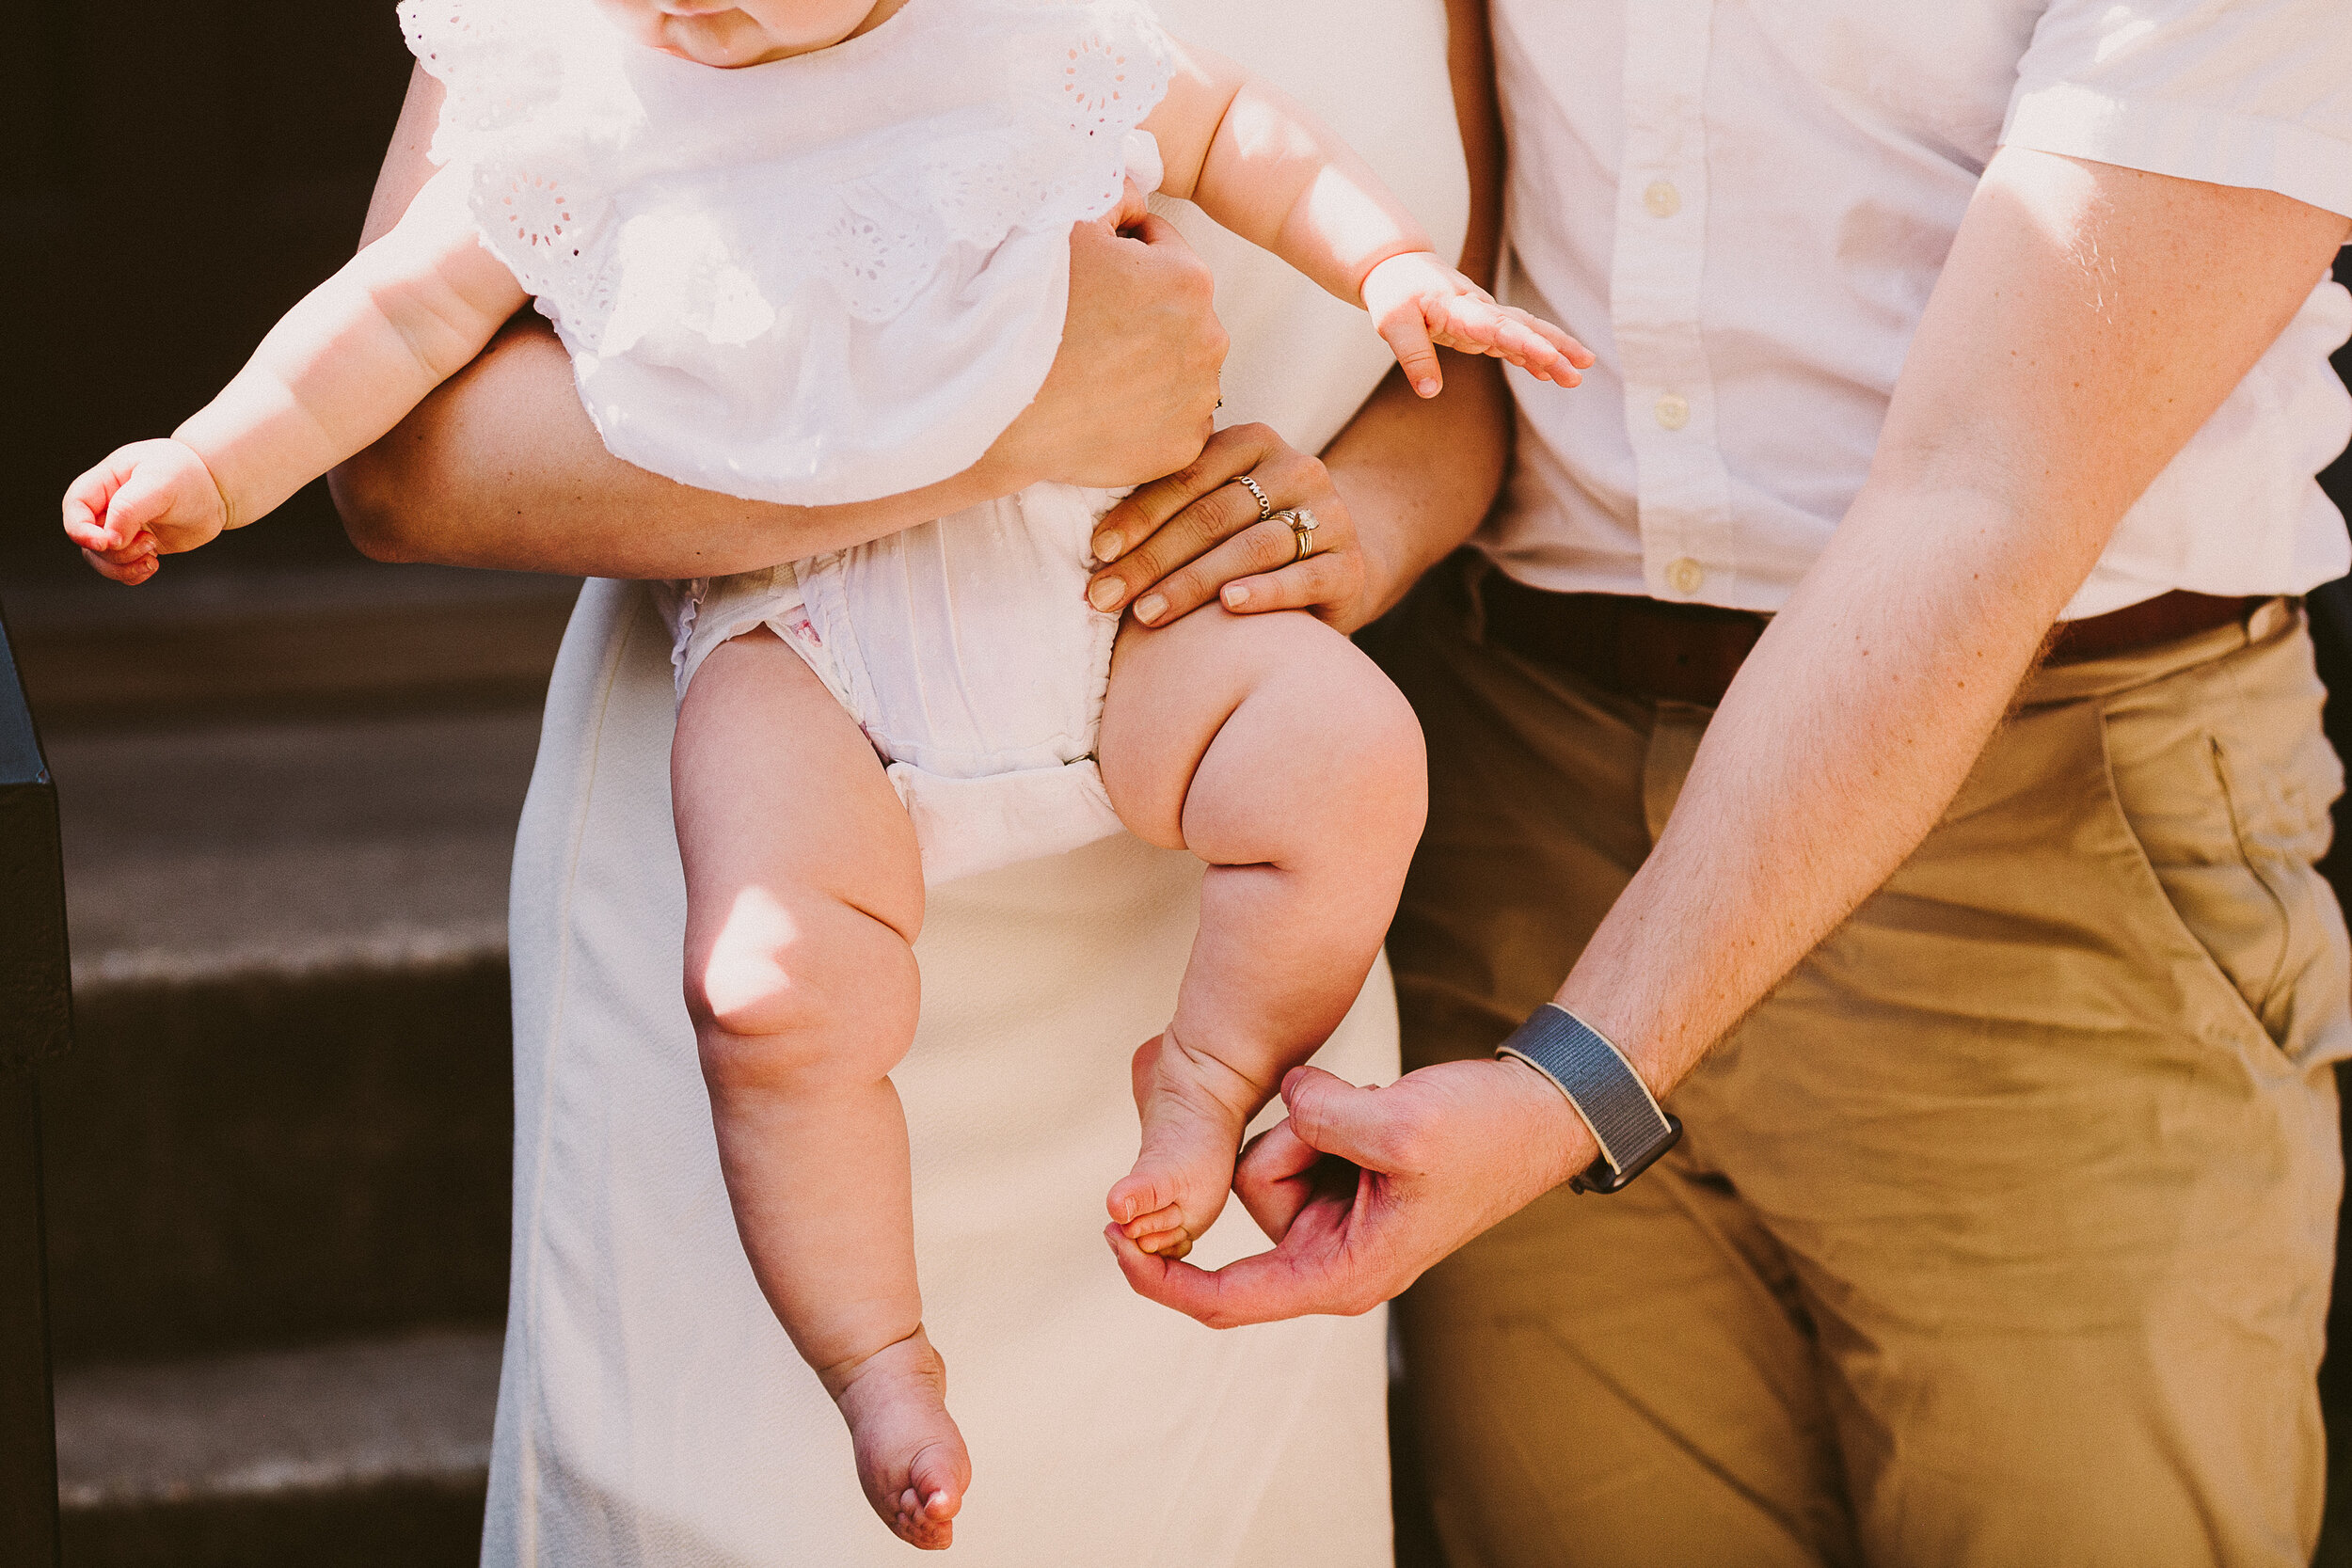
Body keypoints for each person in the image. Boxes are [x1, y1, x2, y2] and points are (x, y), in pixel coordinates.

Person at [63, 0, 1588, 1545]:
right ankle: (874, 1360)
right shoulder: (604, 66)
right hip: (769, 822)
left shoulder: (1053, 55)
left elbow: (1458, 374)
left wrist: (1353, 525)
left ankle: (1190, 1097)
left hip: (1205, 887)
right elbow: (396, 437)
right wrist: (991, 416)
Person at [1103, 2, 2352, 1562]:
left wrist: (1577, 1078)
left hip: (2046, 829)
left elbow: (1987, 491)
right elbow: (1460, 290)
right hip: (1518, 784)